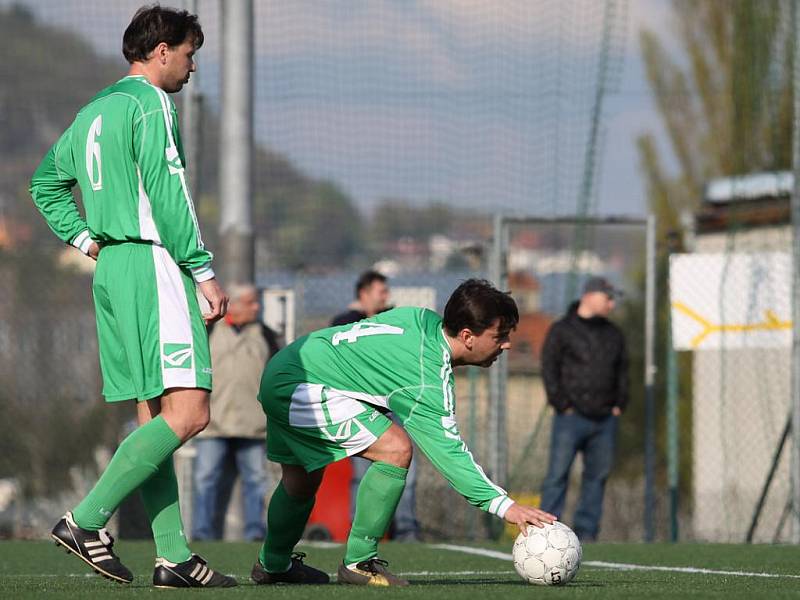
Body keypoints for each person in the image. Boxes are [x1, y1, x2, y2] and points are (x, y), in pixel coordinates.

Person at [29, 6, 235, 588]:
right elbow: (172, 195)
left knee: (155, 418)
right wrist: (203, 271)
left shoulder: (94, 109)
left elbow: (44, 183)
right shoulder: (152, 105)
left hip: (113, 270)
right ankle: (86, 520)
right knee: (191, 411)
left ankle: (172, 556)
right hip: (152, 264)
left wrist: (87, 239)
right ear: (162, 50)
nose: (194, 67)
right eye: (190, 53)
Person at [250, 279, 555, 586]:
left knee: (300, 480)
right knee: (395, 449)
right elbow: (450, 455)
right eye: (499, 336)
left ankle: (273, 564)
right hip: (302, 387)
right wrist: (506, 506)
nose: (507, 344)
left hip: (286, 367)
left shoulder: (419, 317)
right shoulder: (426, 376)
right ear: (467, 336)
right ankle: (359, 562)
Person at [332, 271, 420, 542]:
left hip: (394, 405)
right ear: (364, 294)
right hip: (361, 408)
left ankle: (406, 529)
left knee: (406, 469)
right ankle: (360, 531)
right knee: (361, 475)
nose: (386, 297)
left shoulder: (392, 320)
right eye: (381, 292)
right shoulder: (344, 322)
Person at [539, 276, 629, 542]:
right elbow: (549, 367)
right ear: (590, 296)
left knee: (597, 477)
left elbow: (623, 371)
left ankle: (587, 533)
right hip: (570, 417)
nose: (611, 304)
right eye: (608, 298)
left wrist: (618, 404)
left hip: (605, 419)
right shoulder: (562, 330)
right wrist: (561, 404)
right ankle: (546, 531)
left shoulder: (614, 333)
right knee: (557, 475)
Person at [192, 284, 282, 542]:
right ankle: (202, 532)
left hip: (254, 424)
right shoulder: (207, 330)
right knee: (205, 480)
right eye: (251, 302)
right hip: (213, 423)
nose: (257, 307)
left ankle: (255, 531)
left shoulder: (265, 334)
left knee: (255, 481)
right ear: (234, 304)